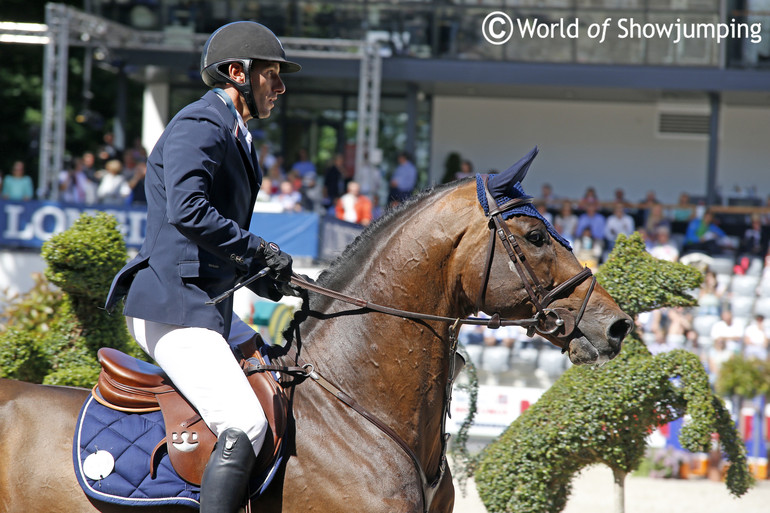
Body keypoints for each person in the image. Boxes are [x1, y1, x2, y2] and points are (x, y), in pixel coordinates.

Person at [104, 21, 301, 513]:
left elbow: (215, 236)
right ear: (237, 72)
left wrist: (271, 276)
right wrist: (256, 251)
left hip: (204, 302)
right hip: (172, 305)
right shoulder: (201, 123)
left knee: (275, 377)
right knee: (246, 422)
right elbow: (187, 211)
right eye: (271, 74)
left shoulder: (237, 133)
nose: (280, 86)